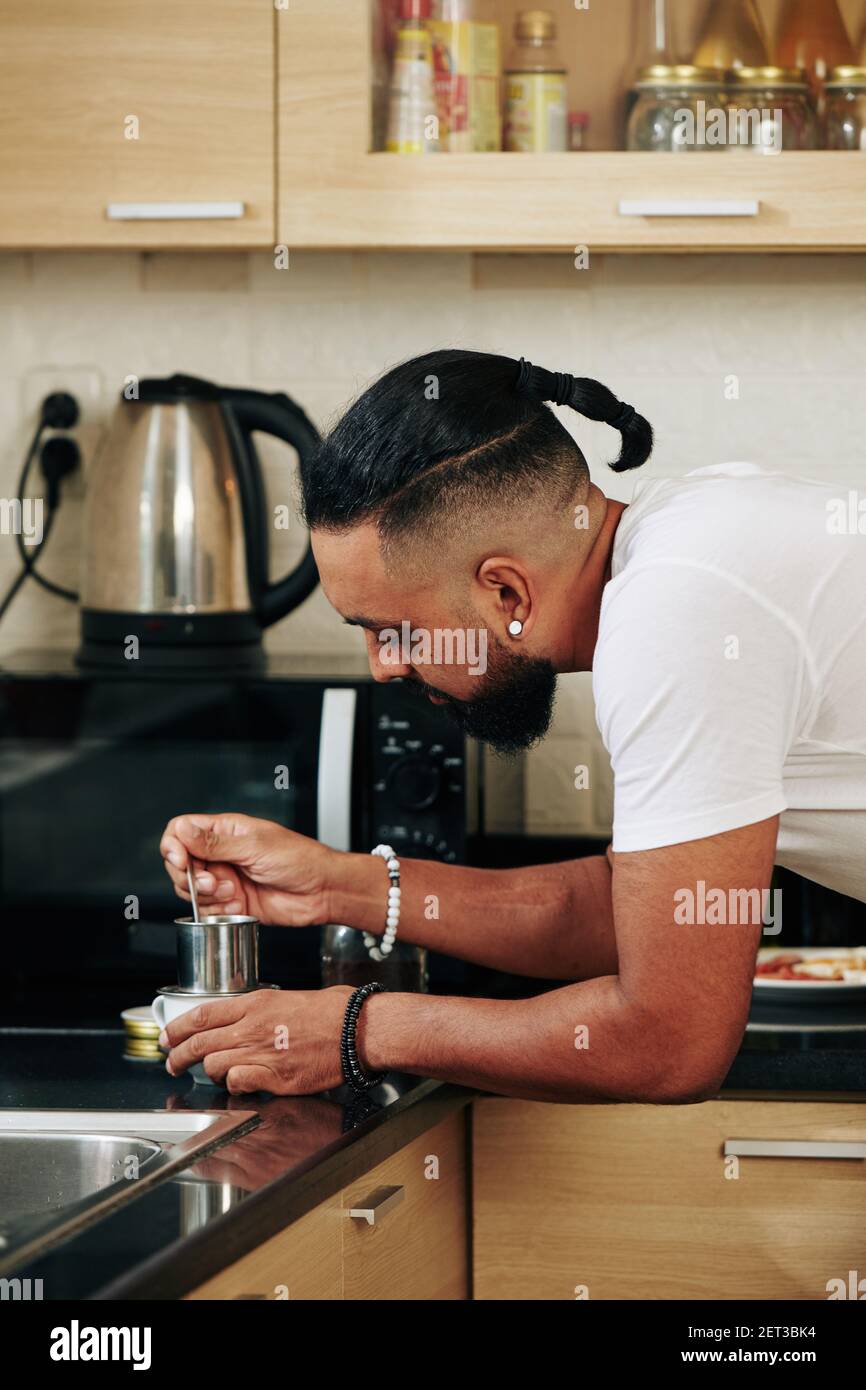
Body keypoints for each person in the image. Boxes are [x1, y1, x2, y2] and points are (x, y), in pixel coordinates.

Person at [159, 349, 866, 1101]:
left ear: (503, 590)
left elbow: (669, 1042)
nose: (381, 667)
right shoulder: (689, 541)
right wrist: (340, 886)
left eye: (392, 630)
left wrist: (357, 1029)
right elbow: (629, 913)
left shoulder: (678, 618)